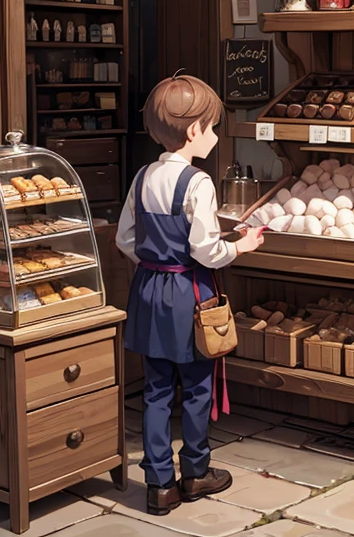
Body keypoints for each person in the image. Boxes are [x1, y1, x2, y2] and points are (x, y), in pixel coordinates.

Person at [117, 72, 265, 516]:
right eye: (213, 127)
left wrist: (154, 261)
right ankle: (196, 472)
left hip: (147, 289)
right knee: (197, 387)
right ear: (194, 131)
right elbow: (206, 249)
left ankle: (159, 484)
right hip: (189, 291)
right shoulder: (198, 183)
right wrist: (241, 245)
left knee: (156, 389)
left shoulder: (143, 176)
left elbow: (126, 238)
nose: (215, 135)